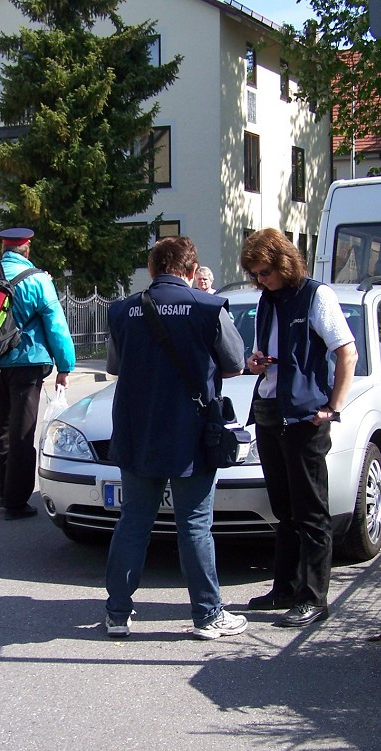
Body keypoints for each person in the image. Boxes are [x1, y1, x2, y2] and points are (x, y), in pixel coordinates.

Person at [103, 236, 248, 640]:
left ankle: (117, 613)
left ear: (151, 269)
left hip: (138, 432)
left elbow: (115, 367)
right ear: (190, 270)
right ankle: (208, 615)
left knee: (133, 522)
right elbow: (235, 363)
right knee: (195, 525)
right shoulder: (207, 307)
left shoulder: (122, 310)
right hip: (192, 434)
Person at [240, 228, 358, 628]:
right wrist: (255, 362)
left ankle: (314, 598)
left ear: (283, 263)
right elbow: (268, 354)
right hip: (270, 412)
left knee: (311, 512)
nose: (260, 280)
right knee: (283, 509)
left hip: (304, 419)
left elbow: (347, 352)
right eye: (255, 274)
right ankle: (285, 589)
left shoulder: (316, 295)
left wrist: (332, 408)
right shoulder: (266, 301)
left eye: (264, 273)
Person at [0, 227, 76, 520]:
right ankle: (17, 500)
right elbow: (55, 324)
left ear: (4, 249)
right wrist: (65, 365)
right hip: (27, 362)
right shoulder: (38, 280)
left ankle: (2, 490)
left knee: (3, 427)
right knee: (23, 431)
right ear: (27, 248)